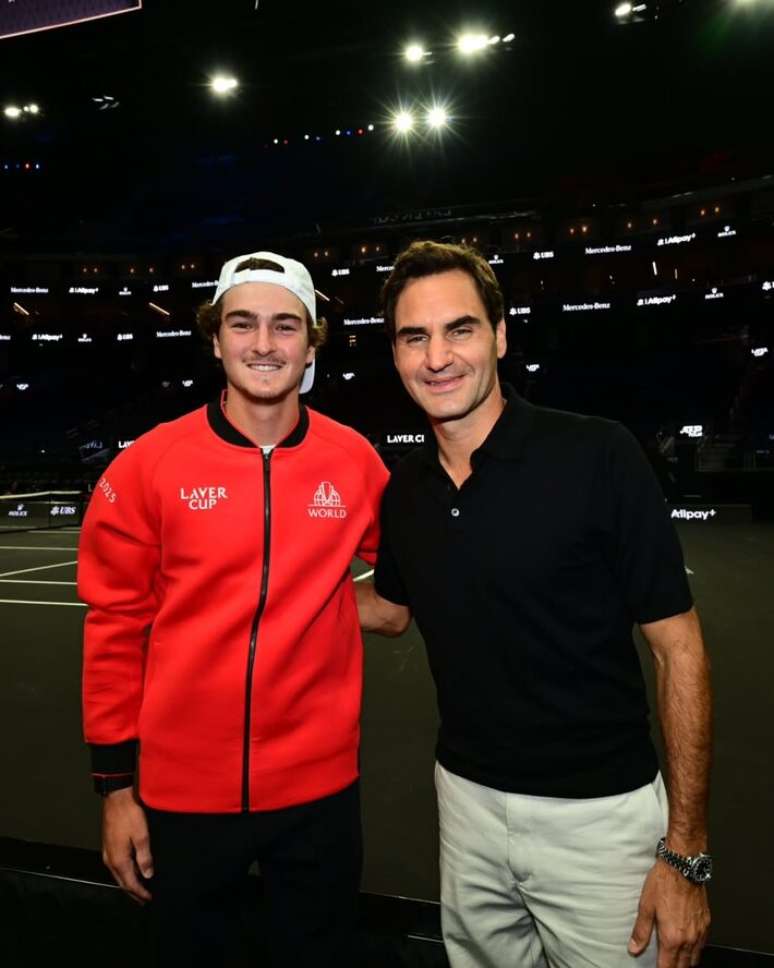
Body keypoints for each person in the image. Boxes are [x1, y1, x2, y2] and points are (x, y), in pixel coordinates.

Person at [357, 241, 712, 968]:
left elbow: (681, 652)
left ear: (501, 334)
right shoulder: (405, 493)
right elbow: (389, 610)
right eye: (413, 337)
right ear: (394, 353)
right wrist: (258, 583)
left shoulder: (599, 456)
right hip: (464, 806)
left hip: (601, 818)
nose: (437, 357)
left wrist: (685, 856)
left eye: (459, 329)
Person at [78, 251, 388, 967]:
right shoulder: (149, 464)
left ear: (313, 344)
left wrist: (332, 607)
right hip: (179, 799)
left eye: (286, 327)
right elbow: (115, 629)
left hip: (320, 797)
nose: (262, 344)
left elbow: (415, 578)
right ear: (215, 339)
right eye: (241, 324)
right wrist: (116, 792)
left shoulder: (354, 461)